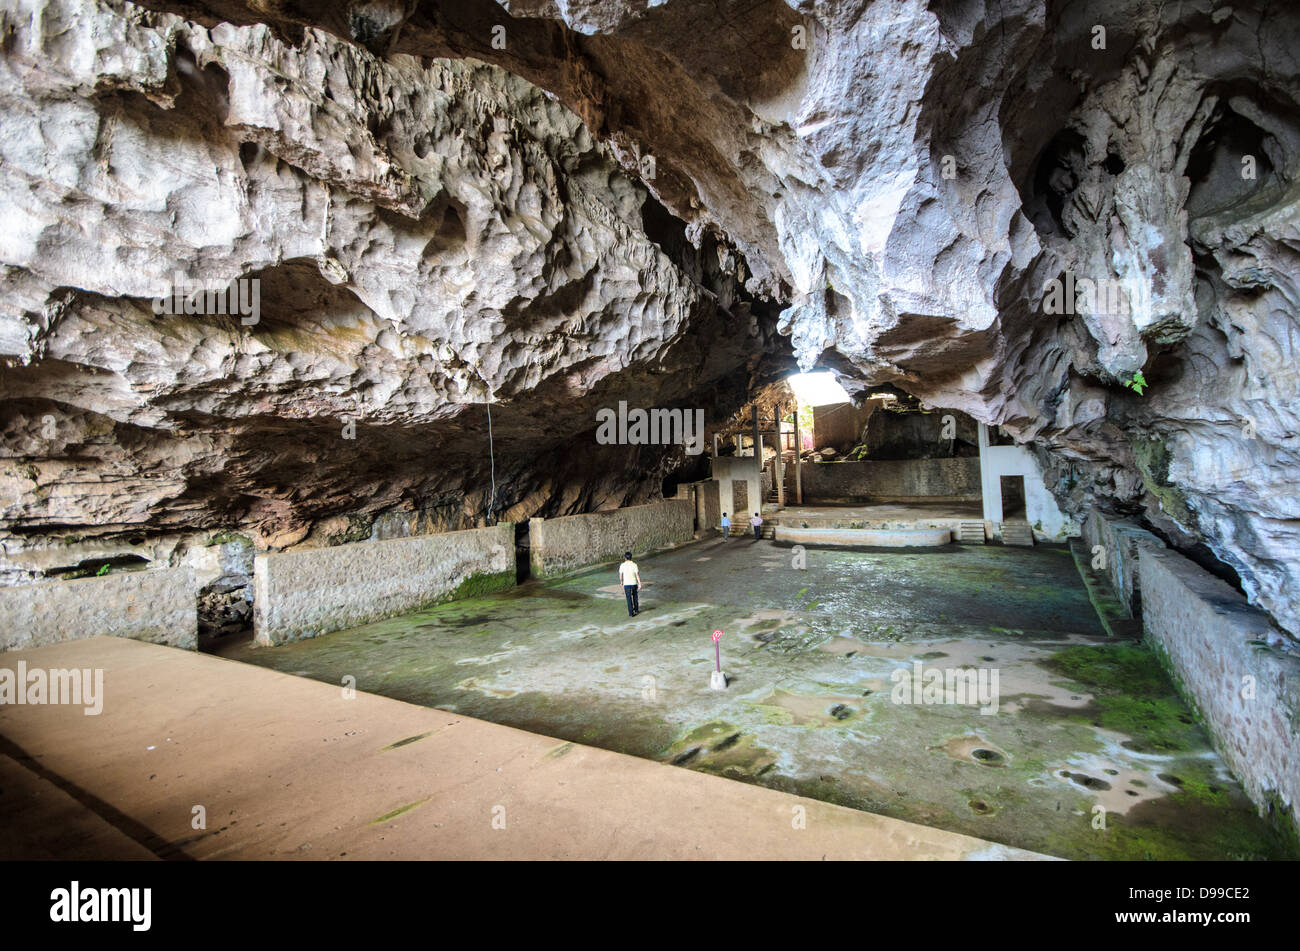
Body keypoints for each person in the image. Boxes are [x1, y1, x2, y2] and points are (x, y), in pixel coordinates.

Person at [618, 551, 641, 617]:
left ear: (625, 558)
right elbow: (637, 575)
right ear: (631, 558)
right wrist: (639, 583)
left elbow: (620, 574)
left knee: (628, 598)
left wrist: (621, 581)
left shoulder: (622, 565)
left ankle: (631, 613)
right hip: (634, 583)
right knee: (635, 596)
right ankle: (636, 609)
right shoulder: (634, 565)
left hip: (626, 584)